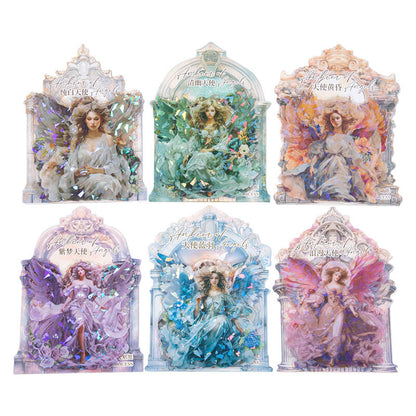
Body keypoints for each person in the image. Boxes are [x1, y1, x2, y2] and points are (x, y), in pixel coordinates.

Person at [281, 101, 377, 201]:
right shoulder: (327, 136)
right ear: (329, 121)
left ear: (343, 119)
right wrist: (312, 165)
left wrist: (368, 170)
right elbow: (318, 152)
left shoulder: (347, 139)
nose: (335, 121)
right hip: (326, 167)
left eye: (337, 118)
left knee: (342, 187)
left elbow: (355, 158)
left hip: (341, 168)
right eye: (332, 119)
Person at [59, 97, 130, 200]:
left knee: (107, 186)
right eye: (89, 119)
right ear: (85, 121)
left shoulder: (108, 138)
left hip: (104, 179)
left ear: (101, 120)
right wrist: (76, 172)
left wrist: (96, 170)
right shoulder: (77, 140)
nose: (93, 122)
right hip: (82, 182)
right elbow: (70, 166)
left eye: (96, 119)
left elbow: (115, 165)